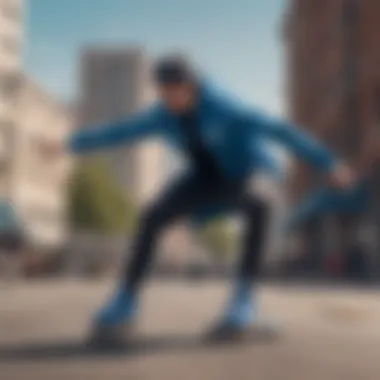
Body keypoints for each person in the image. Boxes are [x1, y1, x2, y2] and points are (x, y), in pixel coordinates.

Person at [54, 55, 354, 341]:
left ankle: (243, 302)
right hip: (206, 178)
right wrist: (69, 144)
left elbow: (281, 131)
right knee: (153, 214)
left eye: (176, 92)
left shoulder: (227, 108)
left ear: (192, 86)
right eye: (164, 93)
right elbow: (120, 131)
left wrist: (329, 163)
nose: (170, 99)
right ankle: (125, 302)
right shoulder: (162, 115)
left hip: (252, 172)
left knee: (259, 205)